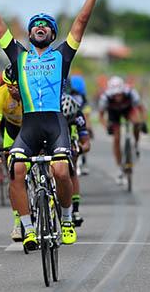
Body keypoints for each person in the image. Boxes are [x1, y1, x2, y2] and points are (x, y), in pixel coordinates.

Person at [0, 0, 103, 249]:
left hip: (55, 123)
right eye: (35, 24)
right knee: (17, 171)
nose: (40, 26)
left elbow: (82, 20)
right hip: (29, 125)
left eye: (46, 24)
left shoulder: (62, 55)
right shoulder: (18, 55)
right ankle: (28, 228)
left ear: (52, 33)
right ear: (30, 33)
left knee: (60, 172)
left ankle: (67, 220)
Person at [0, 66, 23, 241]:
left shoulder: (31, 89)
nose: (13, 90)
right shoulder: (1, 94)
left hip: (32, 128)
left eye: (16, 86)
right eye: (10, 86)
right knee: (14, 176)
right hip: (11, 130)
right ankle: (18, 222)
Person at [98, 76, 144, 183]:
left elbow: (141, 109)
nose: (118, 96)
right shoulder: (105, 97)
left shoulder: (131, 93)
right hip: (114, 114)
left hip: (128, 111)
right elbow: (101, 116)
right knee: (116, 138)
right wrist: (107, 127)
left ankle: (136, 144)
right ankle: (119, 166)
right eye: (115, 94)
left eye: (120, 94)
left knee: (137, 123)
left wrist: (143, 122)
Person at [61, 94, 90, 227]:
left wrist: (79, 149)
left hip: (71, 137)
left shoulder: (78, 115)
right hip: (54, 131)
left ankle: (75, 210)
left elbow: (86, 144)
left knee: (71, 167)